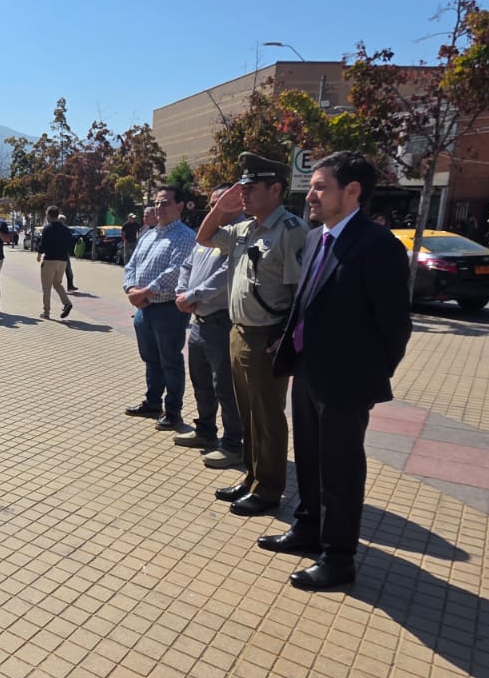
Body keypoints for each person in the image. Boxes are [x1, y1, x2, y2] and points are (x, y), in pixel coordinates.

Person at [262, 152, 412, 590]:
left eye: (320, 186)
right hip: (307, 369)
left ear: (352, 191)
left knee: (341, 471)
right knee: (308, 458)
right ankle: (307, 528)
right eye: (311, 186)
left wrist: (369, 375)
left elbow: (395, 325)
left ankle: (339, 558)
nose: (310, 194)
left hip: (347, 382)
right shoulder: (315, 238)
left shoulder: (378, 245)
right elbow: (305, 301)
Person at [195, 154, 309, 518]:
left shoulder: (290, 231)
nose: (242, 195)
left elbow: (301, 293)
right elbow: (204, 237)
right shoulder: (245, 228)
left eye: (250, 188)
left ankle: (269, 489)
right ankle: (251, 477)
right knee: (247, 414)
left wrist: (287, 339)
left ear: (275, 189)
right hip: (239, 332)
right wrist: (222, 208)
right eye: (239, 189)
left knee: (268, 417)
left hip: (267, 338)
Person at [173, 187, 242, 468]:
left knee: (224, 386)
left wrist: (193, 296)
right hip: (199, 323)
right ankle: (205, 431)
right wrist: (182, 291)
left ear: (237, 205)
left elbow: (226, 274)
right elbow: (187, 265)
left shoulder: (240, 235)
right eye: (212, 205)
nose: (215, 210)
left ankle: (233, 444)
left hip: (221, 321)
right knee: (201, 382)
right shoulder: (207, 235)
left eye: (221, 205)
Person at [121, 186, 195, 428]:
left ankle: (173, 411)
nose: (158, 208)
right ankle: (153, 402)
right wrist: (131, 289)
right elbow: (131, 264)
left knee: (170, 360)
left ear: (180, 206)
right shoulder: (149, 234)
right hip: (144, 309)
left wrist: (145, 291)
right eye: (157, 203)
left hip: (168, 310)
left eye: (165, 203)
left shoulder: (185, 236)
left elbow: (175, 271)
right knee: (151, 359)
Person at [36, 205, 75, 319]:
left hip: (50, 260)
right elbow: (70, 245)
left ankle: (46, 312)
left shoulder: (47, 229)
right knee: (57, 284)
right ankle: (67, 303)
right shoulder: (66, 230)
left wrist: (39, 255)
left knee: (46, 287)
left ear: (48, 215)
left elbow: (43, 244)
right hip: (63, 261)